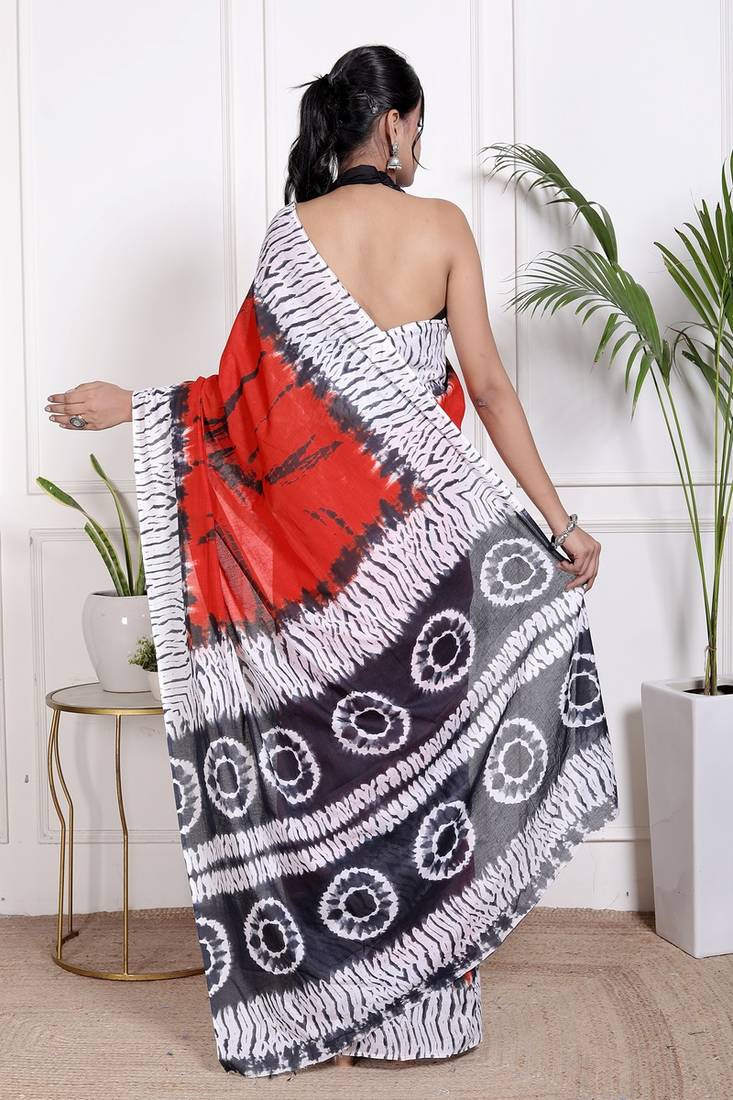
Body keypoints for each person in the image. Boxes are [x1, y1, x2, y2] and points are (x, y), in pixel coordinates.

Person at [44, 44, 618, 1079]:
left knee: (328, 781)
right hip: (430, 575)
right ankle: (417, 1019)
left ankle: (325, 1005)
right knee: (431, 782)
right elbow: (490, 392)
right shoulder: (442, 228)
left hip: (318, 581)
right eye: (418, 125)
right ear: (392, 123)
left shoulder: (290, 236)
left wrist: (138, 406)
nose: (419, 144)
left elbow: (243, 412)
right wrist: (559, 521)